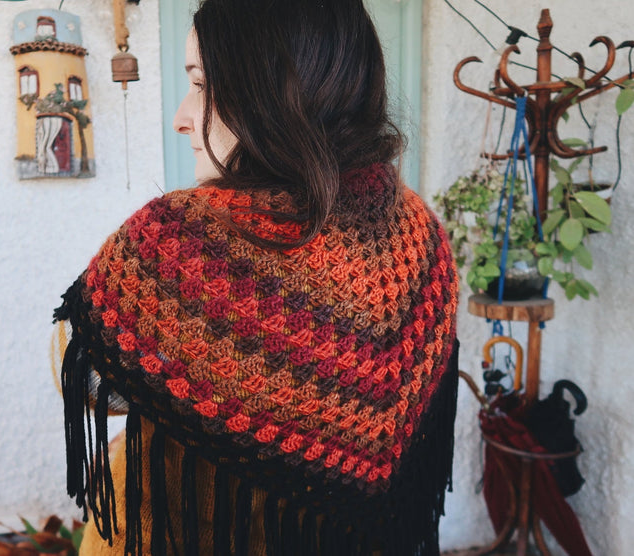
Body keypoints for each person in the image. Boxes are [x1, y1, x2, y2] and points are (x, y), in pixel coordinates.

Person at [52, 0, 459, 554]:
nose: (181, 115)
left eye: (200, 83)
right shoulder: (418, 235)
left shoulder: (183, 242)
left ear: (267, 90)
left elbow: (88, 377)